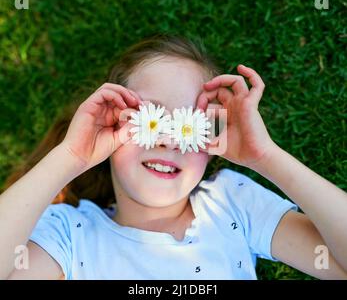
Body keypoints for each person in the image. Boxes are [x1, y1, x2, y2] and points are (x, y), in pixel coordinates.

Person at [1, 33, 346, 280]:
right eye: (151, 117)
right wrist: (71, 156)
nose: (169, 140)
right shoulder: (70, 234)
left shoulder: (232, 205)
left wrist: (266, 157)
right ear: (109, 126)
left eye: (189, 126)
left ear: (213, 145)